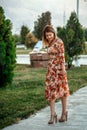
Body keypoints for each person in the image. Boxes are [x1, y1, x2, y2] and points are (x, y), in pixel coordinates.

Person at [42, 25, 70, 124]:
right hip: (51, 70)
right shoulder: (49, 43)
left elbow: (62, 57)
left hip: (59, 70)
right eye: (46, 36)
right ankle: (52, 114)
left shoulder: (59, 42)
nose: (48, 37)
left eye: (50, 35)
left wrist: (63, 70)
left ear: (54, 33)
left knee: (62, 91)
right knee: (50, 92)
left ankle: (64, 113)